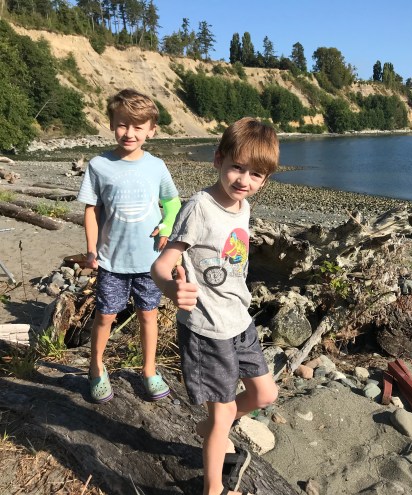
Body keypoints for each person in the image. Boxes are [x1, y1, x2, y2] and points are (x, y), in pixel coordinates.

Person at [151, 117, 279, 495]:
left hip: (239, 320)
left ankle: (210, 429)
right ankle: (213, 488)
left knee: (264, 394)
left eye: (255, 174)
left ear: (265, 180)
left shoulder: (243, 208)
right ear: (218, 159)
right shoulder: (199, 208)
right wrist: (171, 290)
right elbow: (160, 266)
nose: (244, 180)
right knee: (222, 413)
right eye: (237, 167)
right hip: (207, 328)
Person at [77, 88, 181, 403]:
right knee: (105, 316)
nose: (129, 133)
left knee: (148, 314)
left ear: (151, 130)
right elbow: (91, 210)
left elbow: (172, 202)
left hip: (150, 260)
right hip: (111, 260)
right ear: (111, 124)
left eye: (138, 127)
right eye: (122, 124)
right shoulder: (99, 165)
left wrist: (166, 225)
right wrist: (92, 249)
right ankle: (96, 367)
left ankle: (149, 370)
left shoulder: (156, 165)